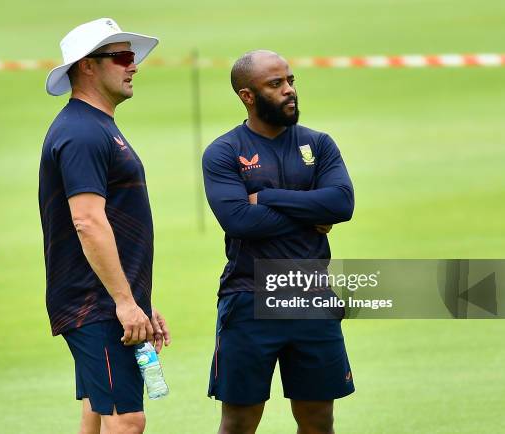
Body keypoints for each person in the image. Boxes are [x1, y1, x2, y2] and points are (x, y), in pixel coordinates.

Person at [202, 50, 355, 434]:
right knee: (239, 421)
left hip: (311, 296)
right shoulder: (224, 152)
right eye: (276, 84)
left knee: (319, 420)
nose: (289, 91)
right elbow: (238, 220)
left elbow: (341, 202)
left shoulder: (319, 144)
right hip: (249, 298)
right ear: (247, 96)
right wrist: (310, 213)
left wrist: (266, 198)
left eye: (290, 81)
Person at [38, 18, 170, 434]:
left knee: (97, 410)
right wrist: (125, 303)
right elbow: (88, 221)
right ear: (87, 66)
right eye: (122, 57)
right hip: (94, 303)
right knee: (127, 420)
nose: (133, 66)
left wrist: (137, 299)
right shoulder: (82, 133)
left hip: (104, 299)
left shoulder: (96, 126)